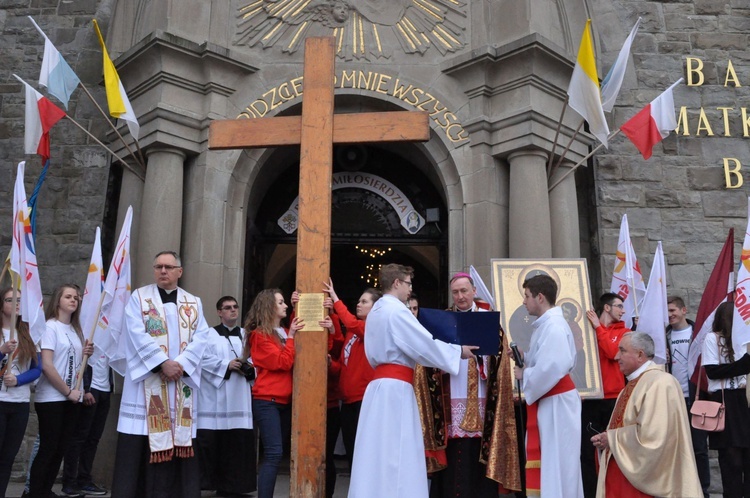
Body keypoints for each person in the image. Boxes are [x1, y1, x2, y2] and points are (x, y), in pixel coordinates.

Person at [347, 263, 477, 498]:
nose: (410, 290)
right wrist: (457, 351)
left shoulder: (376, 311)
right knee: (398, 450)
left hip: (378, 389)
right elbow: (422, 343)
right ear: (396, 283)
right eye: (408, 284)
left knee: (377, 451)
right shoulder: (396, 311)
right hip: (395, 390)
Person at [111, 251, 212, 498]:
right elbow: (135, 333)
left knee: (179, 436)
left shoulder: (194, 302)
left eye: (168, 267)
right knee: (141, 441)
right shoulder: (139, 298)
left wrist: (181, 365)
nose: (163, 271)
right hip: (148, 380)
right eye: (158, 266)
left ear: (180, 271)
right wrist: (161, 364)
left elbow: (202, 337)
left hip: (180, 382)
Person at [426, 272, 509, 497]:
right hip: (452, 393)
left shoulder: (488, 319)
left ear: (474, 291)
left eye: (464, 291)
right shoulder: (442, 321)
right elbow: (430, 360)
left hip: (482, 394)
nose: (460, 296)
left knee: (477, 454)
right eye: (455, 292)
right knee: (454, 455)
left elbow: (499, 361)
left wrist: (484, 358)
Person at [591, 332, 702, 497]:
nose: (616, 356)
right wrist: (607, 438)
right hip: (622, 477)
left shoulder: (660, 383)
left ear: (640, 355)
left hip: (642, 484)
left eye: (622, 351)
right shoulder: (631, 385)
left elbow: (655, 439)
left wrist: (612, 439)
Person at [513, 274, 583, 497]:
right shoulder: (547, 325)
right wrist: (526, 356)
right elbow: (545, 359)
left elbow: (553, 366)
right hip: (551, 400)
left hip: (557, 402)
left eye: (527, 296)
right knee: (551, 460)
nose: (524, 301)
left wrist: (525, 373)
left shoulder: (553, 326)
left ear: (540, 297)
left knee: (557, 462)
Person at [30, 284, 94, 498]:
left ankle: (46, 490)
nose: (73, 300)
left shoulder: (76, 330)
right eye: (68, 297)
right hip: (52, 398)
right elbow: (47, 365)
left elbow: (73, 362)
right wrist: (67, 391)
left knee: (60, 449)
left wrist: (84, 352)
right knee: (48, 448)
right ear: (58, 300)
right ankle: (35, 492)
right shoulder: (50, 327)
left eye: (76, 297)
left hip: (72, 397)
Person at [195, 296, 256, 498]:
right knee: (213, 443)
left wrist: (248, 369)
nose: (232, 310)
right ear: (219, 312)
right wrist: (226, 366)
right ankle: (210, 483)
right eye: (227, 308)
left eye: (235, 307)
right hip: (215, 399)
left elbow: (258, 360)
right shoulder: (208, 335)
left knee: (236, 444)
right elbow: (200, 359)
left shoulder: (247, 335)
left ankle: (234, 487)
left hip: (240, 398)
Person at [245, 289, 304, 498]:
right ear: (270, 306)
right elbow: (282, 361)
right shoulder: (259, 335)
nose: (285, 306)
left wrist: (298, 305)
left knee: (278, 453)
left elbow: (295, 335)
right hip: (266, 400)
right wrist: (291, 337)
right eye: (281, 302)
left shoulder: (283, 331)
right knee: (273, 453)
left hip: (283, 401)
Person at [321, 279, 380, 475]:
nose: (359, 304)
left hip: (363, 400)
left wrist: (335, 299)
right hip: (347, 401)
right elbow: (345, 367)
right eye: (359, 301)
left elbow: (351, 323)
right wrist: (331, 365)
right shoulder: (353, 333)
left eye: (364, 302)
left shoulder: (372, 328)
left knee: (364, 454)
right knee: (352, 454)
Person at [580, 293, 628, 497]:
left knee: (614, 448)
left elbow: (613, 352)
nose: (623, 310)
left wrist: (598, 328)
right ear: (606, 308)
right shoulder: (586, 330)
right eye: (619, 306)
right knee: (588, 451)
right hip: (590, 398)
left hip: (613, 398)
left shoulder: (625, 332)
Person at [702, 302, 750, 497]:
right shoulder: (713, 339)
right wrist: (744, 365)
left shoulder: (746, 341)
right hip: (725, 400)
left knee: (747, 458)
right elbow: (712, 372)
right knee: (732, 458)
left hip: (745, 398)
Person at [666, 296, 710, 497]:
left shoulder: (698, 333)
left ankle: (703, 490)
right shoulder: (662, 337)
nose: (670, 315)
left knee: (699, 448)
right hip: (672, 400)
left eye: (673, 310)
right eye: (667, 312)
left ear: (684, 310)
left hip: (695, 397)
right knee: (674, 449)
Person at [0, 288, 41, 497]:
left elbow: (37, 368)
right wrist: (2, 352)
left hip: (19, 403)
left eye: (19, 300)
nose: (16, 303)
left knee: (8, 457)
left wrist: (18, 380)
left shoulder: (29, 333)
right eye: (10, 299)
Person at [61, 353, 113, 496]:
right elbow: (81, 361)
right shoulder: (89, 333)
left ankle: (84, 479)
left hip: (105, 389)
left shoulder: (111, 336)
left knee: (93, 439)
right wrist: (86, 389)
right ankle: (69, 482)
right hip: (91, 389)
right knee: (79, 437)